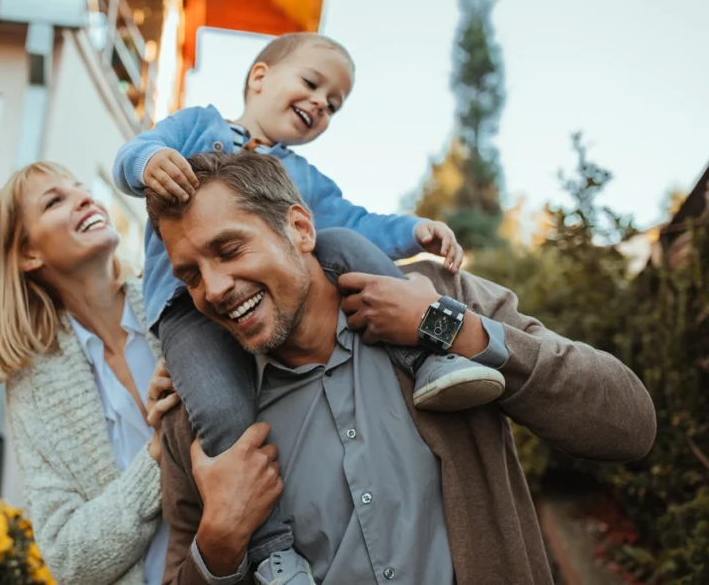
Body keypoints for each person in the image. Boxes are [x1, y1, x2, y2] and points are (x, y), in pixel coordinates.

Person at [147, 151, 657, 585]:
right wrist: (218, 544)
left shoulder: (439, 298)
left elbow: (628, 426)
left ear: (300, 229)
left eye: (230, 249)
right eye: (190, 275)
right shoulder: (195, 421)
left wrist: (449, 328)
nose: (213, 289)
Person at [113, 32, 503, 583]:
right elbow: (131, 152)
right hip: (186, 311)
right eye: (313, 83)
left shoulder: (306, 181)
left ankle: (430, 358)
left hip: (278, 291)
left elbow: (360, 221)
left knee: (344, 244)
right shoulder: (197, 124)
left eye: (335, 104)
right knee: (222, 413)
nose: (322, 103)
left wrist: (413, 229)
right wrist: (149, 162)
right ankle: (272, 548)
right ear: (259, 78)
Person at [0, 161, 181, 585]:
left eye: (81, 188)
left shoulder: (175, 308)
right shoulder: (35, 388)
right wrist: (159, 453)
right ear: (29, 253)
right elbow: (68, 559)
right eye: (55, 201)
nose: (85, 198)